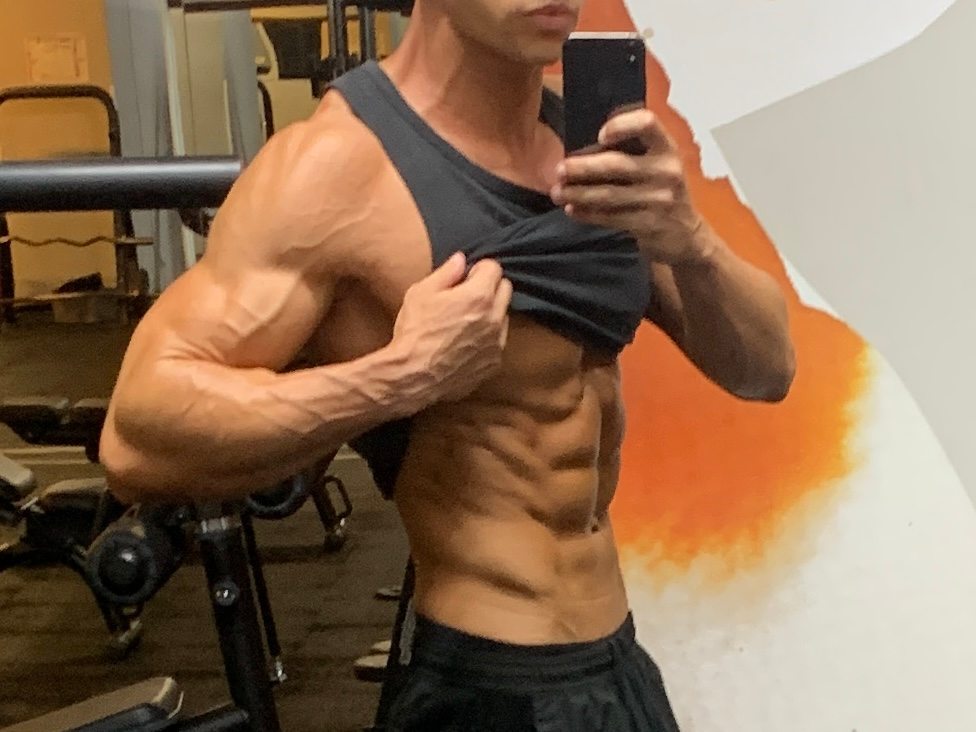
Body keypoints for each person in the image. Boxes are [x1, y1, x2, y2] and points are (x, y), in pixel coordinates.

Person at [100, 0, 795, 729]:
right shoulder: (337, 168)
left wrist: (690, 240)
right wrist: (400, 378)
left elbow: (766, 370)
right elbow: (136, 436)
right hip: (483, 681)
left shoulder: (593, 150)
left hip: (615, 662)